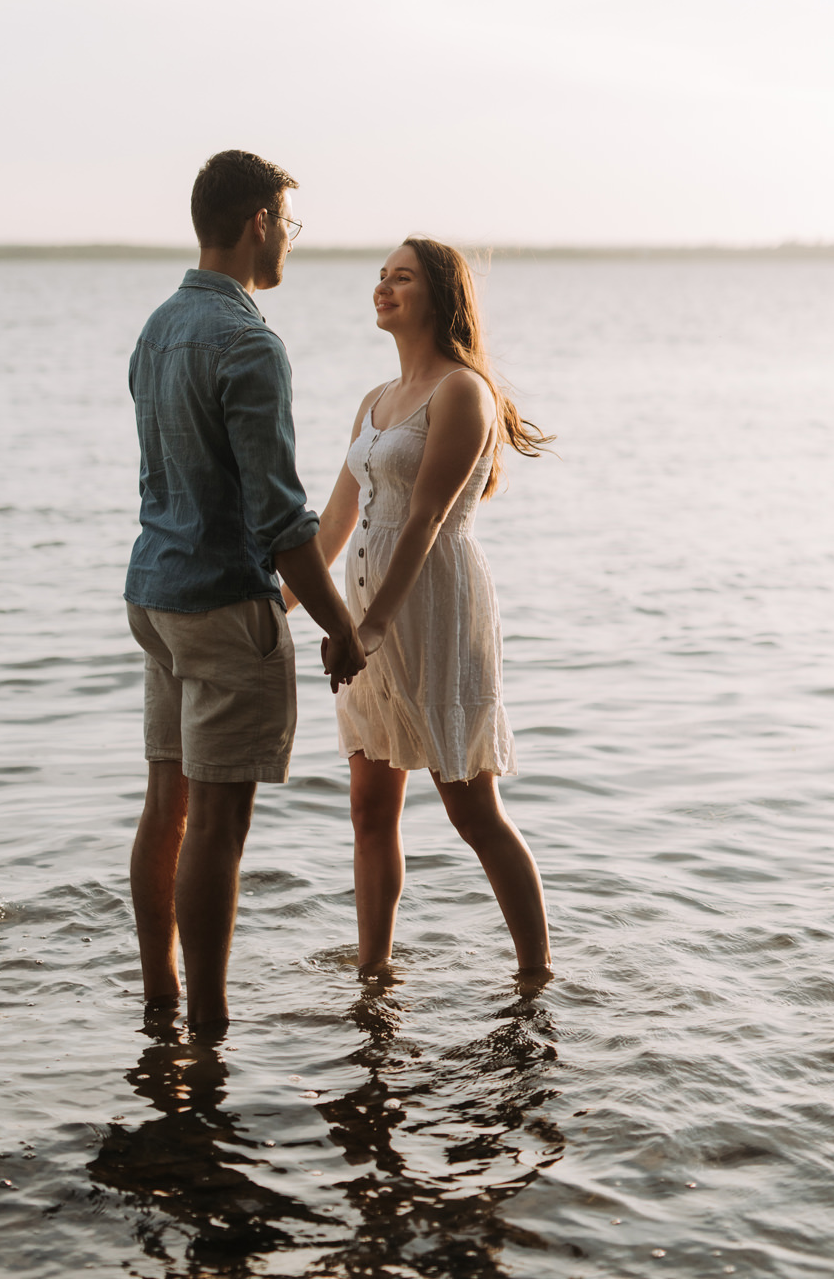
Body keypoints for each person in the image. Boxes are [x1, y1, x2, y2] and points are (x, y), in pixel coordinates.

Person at [124, 150, 366, 1030]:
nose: (289, 241)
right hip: (225, 604)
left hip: (154, 596)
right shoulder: (249, 342)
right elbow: (279, 518)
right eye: (288, 223)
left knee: (166, 807)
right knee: (217, 827)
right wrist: (341, 626)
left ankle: (161, 1001)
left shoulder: (158, 328)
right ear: (259, 222)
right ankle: (209, 1028)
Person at [292, 237, 553, 982]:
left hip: (433, 610)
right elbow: (336, 520)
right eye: (381, 276)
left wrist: (372, 628)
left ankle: (535, 973)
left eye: (401, 278)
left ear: (439, 296)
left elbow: (427, 518)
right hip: (363, 611)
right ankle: (374, 973)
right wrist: (281, 604)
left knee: (472, 811)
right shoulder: (375, 401)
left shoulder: (463, 391)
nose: (383, 287)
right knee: (369, 809)